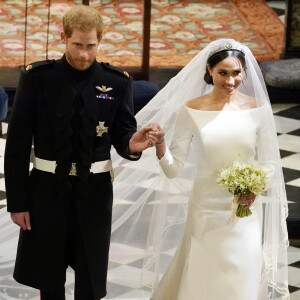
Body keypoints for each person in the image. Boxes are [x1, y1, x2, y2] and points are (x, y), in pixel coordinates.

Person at [106, 39, 289, 300]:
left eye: (236, 73)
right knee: (205, 278)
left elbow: (270, 161)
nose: (230, 81)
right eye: (222, 73)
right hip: (205, 209)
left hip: (246, 210)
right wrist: (161, 146)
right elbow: (173, 169)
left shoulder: (257, 109)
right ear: (210, 71)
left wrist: (254, 188)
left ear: (245, 72)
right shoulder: (191, 109)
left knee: (242, 275)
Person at [4, 4, 160, 300]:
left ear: (100, 40)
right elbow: (17, 145)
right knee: (48, 279)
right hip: (46, 191)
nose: (84, 53)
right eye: (77, 44)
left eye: (91, 45)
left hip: (95, 194)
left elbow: (123, 134)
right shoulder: (37, 79)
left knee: (91, 279)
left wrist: (132, 144)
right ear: (63, 36)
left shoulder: (117, 82)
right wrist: (18, 202)